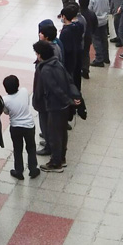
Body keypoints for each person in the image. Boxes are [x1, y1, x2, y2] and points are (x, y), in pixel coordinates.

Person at [33, 40, 76, 173]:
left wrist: (67, 100)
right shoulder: (57, 63)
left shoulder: (45, 69)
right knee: (62, 132)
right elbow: (69, 81)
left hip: (55, 106)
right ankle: (61, 158)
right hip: (63, 106)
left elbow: (54, 89)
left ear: (40, 55)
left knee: (54, 134)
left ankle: (55, 162)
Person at [1, 75, 38, 179]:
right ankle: (33, 169)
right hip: (29, 125)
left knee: (17, 149)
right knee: (31, 147)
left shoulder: (5, 100)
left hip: (15, 126)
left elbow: (6, 112)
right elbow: (27, 103)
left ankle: (19, 171)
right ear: (18, 84)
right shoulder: (24, 91)